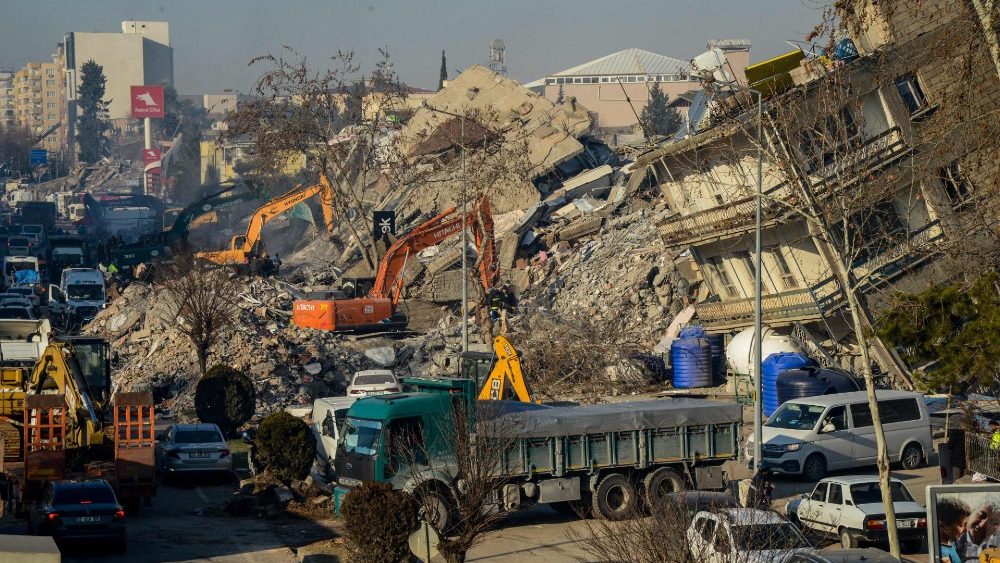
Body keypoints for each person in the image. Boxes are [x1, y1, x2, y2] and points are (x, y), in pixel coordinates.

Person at [938, 496, 972, 563]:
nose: (966, 530)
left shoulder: (949, 544)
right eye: (962, 525)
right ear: (942, 525)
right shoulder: (942, 554)